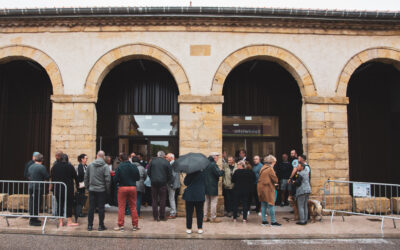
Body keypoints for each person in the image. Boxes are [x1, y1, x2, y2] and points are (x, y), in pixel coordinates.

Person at [84, 150, 111, 231]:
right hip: (101, 190)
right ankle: (100, 225)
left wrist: (87, 187)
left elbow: (86, 177)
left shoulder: (90, 165)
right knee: (101, 208)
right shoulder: (105, 166)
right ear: (103, 157)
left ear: (97, 156)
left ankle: (90, 226)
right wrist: (107, 189)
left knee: (91, 208)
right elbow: (108, 179)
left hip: (92, 189)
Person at [113, 154, 141, 231]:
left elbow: (115, 179)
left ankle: (121, 225)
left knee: (121, 207)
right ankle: (135, 225)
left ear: (121, 159)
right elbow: (138, 178)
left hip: (122, 187)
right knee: (133, 207)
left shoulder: (119, 167)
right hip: (132, 187)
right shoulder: (134, 166)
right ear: (128, 158)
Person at [51, 154, 79, 227]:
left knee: (59, 204)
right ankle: (69, 221)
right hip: (68, 189)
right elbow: (75, 177)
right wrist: (78, 185)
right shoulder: (70, 166)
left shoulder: (55, 167)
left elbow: (52, 178)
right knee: (69, 205)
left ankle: (61, 222)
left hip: (58, 188)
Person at [147, 151, 172, 221]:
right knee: (162, 200)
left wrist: (152, 178)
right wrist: (167, 181)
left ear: (157, 155)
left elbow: (148, 172)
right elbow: (170, 174)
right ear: (164, 156)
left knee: (154, 199)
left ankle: (155, 216)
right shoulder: (166, 162)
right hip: (163, 183)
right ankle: (161, 216)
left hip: (154, 183)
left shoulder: (152, 161)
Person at [258, 155, 281, 226]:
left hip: (261, 188)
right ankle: (273, 221)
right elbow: (275, 179)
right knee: (271, 204)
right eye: (274, 162)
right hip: (268, 188)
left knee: (263, 205)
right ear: (271, 162)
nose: (275, 163)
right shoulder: (270, 169)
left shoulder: (262, 168)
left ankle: (264, 221)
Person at [27, 153, 49, 226]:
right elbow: (47, 176)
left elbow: (29, 176)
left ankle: (33, 218)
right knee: (36, 203)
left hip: (31, 187)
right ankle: (33, 220)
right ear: (42, 160)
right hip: (38, 187)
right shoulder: (41, 167)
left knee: (32, 202)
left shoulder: (30, 166)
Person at [183, 170, 206, 234]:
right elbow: (205, 183)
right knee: (200, 213)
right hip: (200, 195)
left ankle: (189, 228)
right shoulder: (203, 173)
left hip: (190, 195)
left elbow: (185, 183)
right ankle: (200, 228)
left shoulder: (189, 173)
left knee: (189, 213)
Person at [203, 152, 224, 223]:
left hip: (205, 186)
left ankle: (205, 217)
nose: (218, 159)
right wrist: (222, 171)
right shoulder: (213, 164)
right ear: (214, 157)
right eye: (217, 157)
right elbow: (218, 174)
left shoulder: (205, 164)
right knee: (213, 202)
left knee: (206, 202)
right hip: (212, 186)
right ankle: (213, 218)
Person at [75, 153, 88, 221]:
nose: (86, 160)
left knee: (82, 197)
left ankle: (80, 211)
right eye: (86, 158)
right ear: (82, 159)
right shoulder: (79, 166)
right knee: (80, 198)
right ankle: (79, 212)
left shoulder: (85, 166)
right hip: (80, 185)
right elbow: (78, 176)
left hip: (84, 185)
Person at [166, 153, 180, 219]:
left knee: (171, 199)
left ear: (171, 157)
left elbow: (173, 175)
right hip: (173, 183)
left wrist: (170, 183)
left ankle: (173, 213)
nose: (166, 158)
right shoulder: (173, 164)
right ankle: (174, 212)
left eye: (167, 157)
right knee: (172, 198)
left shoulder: (173, 164)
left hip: (172, 184)